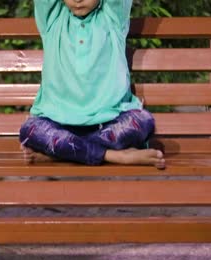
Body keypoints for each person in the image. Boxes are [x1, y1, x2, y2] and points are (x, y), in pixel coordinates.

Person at [19, 0, 165, 169]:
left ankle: (61, 153)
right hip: (58, 122)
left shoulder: (113, 18)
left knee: (143, 121)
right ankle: (114, 156)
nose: (78, 0)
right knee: (30, 130)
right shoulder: (52, 20)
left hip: (109, 123)